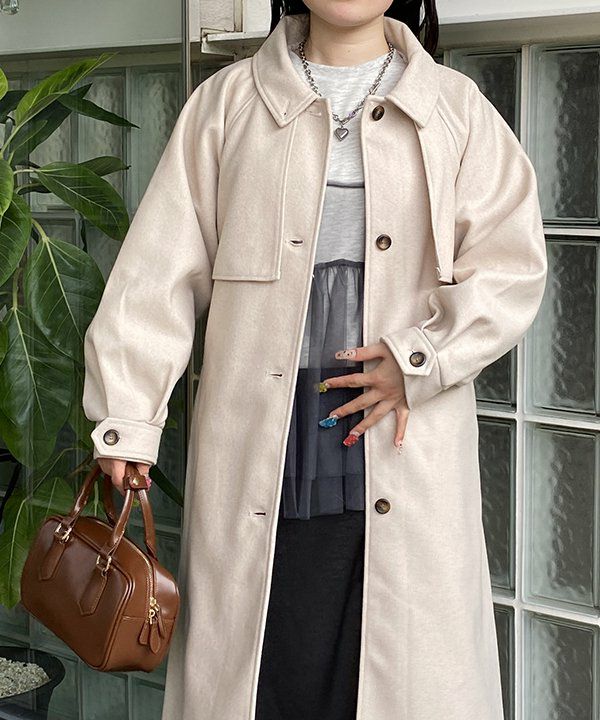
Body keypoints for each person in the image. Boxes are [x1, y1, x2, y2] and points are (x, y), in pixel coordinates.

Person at [82, 2, 547, 719]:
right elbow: (157, 273)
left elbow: (511, 268)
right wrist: (127, 412)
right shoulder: (227, 105)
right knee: (266, 671)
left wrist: (418, 358)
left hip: (402, 442)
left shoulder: (455, 109)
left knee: (396, 670)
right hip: (266, 446)